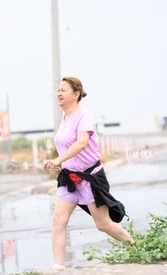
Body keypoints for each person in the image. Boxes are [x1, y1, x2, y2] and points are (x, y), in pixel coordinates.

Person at [43, 76, 134, 269]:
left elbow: (81, 143)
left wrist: (58, 160)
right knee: (58, 219)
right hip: (69, 178)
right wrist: (60, 162)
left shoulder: (85, 116)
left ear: (76, 94)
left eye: (63, 90)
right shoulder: (65, 117)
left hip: (90, 177)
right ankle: (58, 267)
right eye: (58, 90)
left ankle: (137, 249)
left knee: (103, 224)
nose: (58, 93)